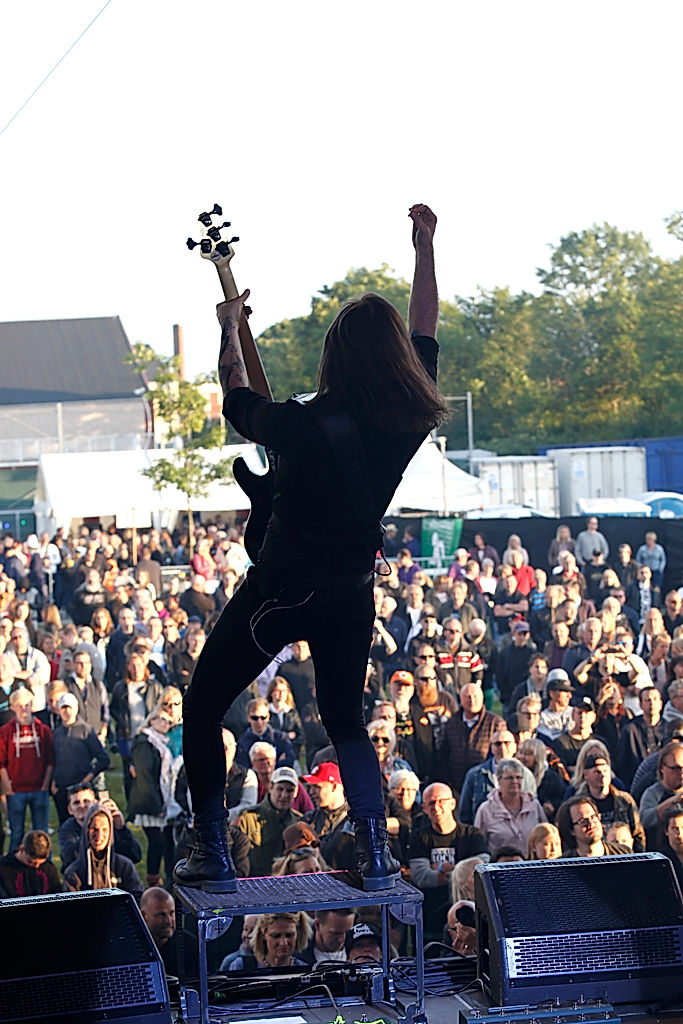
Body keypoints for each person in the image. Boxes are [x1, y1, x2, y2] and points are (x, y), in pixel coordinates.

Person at [175, 205, 447, 894]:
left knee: (204, 706)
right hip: (350, 592)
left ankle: (212, 848)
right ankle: (374, 852)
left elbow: (237, 400)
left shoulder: (302, 424)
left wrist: (227, 331)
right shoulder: (408, 415)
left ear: (335, 355)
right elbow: (424, 327)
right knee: (345, 718)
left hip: (280, 589)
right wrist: (424, 250)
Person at [0, 688, 54, 850]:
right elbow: (1, 763)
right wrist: (8, 787)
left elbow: (50, 761)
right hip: (16, 791)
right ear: (13, 708)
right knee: (16, 834)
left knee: (41, 833)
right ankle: (13, 870)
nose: (24, 709)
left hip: (39, 789)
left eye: (27, 705)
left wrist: (45, 785)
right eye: (20, 705)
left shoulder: (43, 730)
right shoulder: (5, 732)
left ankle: (44, 868)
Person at [64, 802, 143, 895]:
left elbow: (137, 897)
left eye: (104, 829)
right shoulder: (74, 872)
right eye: (94, 829)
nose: (99, 835)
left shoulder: (124, 866)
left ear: (111, 832)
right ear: (86, 830)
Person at [474, 758, 546, 857]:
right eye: (510, 778)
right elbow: (479, 848)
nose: (515, 781)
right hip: (499, 869)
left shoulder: (534, 805)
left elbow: (545, 836)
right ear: (498, 780)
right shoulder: (485, 810)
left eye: (518, 777)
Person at [140, 886, 199, 976]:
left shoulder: (189, 946)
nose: (168, 921)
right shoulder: (135, 947)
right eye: (161, 915)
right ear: (144, 916)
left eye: (171, 913)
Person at [228, 912, 313, 970]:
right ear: (263, 935)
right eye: (276, 936)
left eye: (289, 935)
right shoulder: (241, 966)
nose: (283, 943)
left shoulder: (304, 969)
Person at [555, 795, 629, 858]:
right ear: (571, 830)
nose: (591, 823)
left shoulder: (624, 854)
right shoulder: (563, 865)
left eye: (593, 817)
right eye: (583, 821)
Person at [0, 829, 62, 898]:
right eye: (31, 862)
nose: (36, 866)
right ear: (21, 849)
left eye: (40, 863)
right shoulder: (3, 867)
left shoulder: (49, 869)